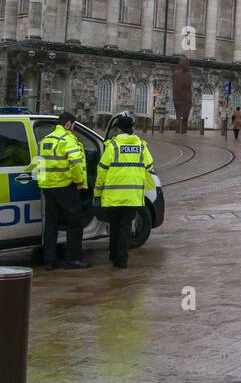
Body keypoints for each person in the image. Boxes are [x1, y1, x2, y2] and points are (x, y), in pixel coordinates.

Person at [94, 114, 154, 269]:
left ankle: (113, 255)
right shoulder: (141, 146)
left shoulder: (112, 146)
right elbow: (149, 166)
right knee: (126, 227)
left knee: (114, 226)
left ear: (119, 129)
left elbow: (102, 171)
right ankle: (122, 259)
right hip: (133, 195)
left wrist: (97, 194)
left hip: (113, 195)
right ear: (132, 129)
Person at [32, 110, 89, 271]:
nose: (73, 128)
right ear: (68, 124)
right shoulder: (68, 140)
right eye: (73, 125)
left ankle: (50, 261)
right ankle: (73, 259)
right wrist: (79, 181)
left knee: (51, 224)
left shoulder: (45, 140)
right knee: (75, 223)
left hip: (48, 188)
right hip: (65, 187)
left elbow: (39, 162)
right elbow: (76, 163)